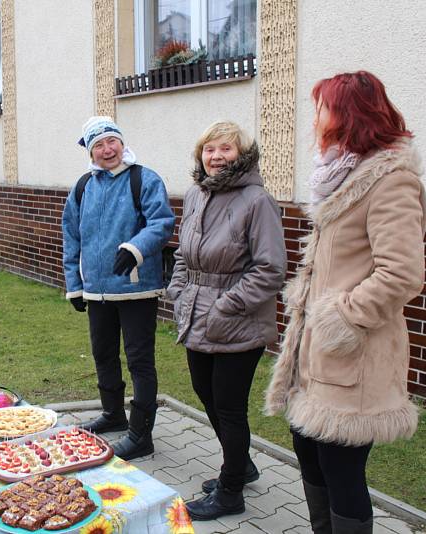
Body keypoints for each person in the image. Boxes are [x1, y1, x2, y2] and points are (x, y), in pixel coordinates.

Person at [265, 71, 426, 534]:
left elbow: (402, 273)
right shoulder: (340, 174)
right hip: (312, 356)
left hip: (351, 356)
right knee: (310, 458)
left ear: (349, 115)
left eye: (322, 108)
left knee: (342, 473)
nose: (315, 118)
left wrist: (342, 317)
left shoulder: (391, 180)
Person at [166, 121, 285, 520]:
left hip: (238, 322)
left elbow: (270, 269)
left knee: (230, 408)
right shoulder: (198, 194)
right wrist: (179, 291)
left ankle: (231, 491)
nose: (216, 157)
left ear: (242, 155)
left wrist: (227, 305)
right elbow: (183, 253)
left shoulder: (257, 200)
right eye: (209, 149)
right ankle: (241, 465)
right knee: (207, 396)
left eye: (226, 150)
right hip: (196, 314)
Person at [62, 116, 175, 460]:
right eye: (99, 145)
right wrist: (75, 284)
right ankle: (113, 415)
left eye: (112, 141)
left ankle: (141, 435)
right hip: (97, 291)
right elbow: (71, 235)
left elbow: (162, 223)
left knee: (140, 361)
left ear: (122, 143)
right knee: (104, 354)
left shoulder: (145, 179)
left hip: (135, 289)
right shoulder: (83, 186)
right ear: (90, 152)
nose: (108, 149)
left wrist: (135, 248)